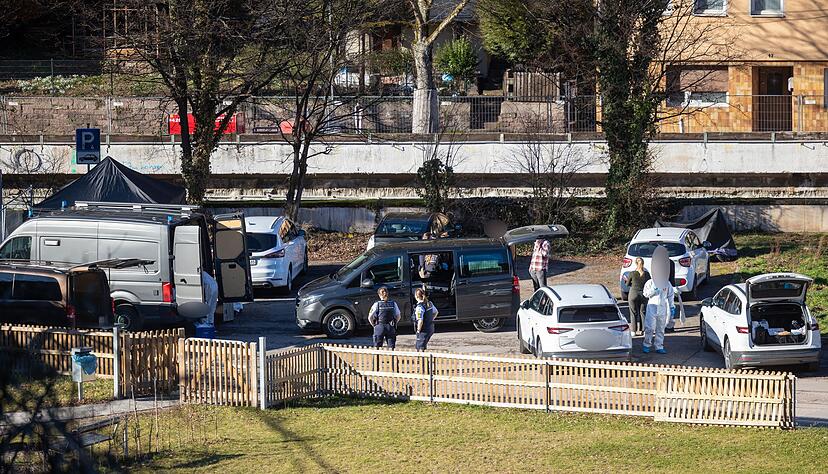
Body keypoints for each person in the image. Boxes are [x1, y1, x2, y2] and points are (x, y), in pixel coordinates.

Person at [641, 246, 685, 354]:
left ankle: (659, 346)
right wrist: (654, 289)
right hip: (652, 307)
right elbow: (645, 294)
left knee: (660, 329)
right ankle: (647, 344)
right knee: (650, 328)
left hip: (663, 308)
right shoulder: (650, 283)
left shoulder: (667, 283)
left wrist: (672, 307)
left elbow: (670, 296)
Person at [622, 257, 650, 336]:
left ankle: (633, 331)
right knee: (643, 312)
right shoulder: (647, 274)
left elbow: (627, 284)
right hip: (644, 295)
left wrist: (627, 281)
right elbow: (649, 283)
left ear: (635, 263)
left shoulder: (632, 273)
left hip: (633, 294)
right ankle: (644, 330)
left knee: (633, 313)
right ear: (643, 264)